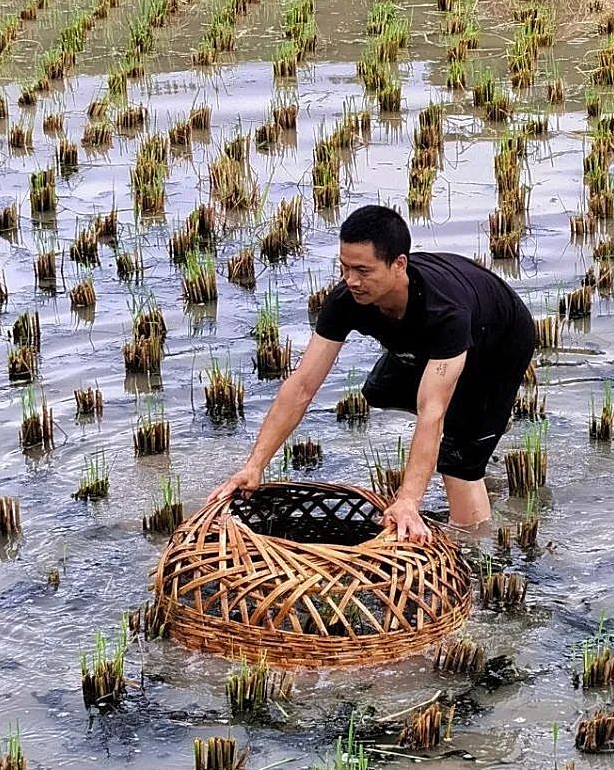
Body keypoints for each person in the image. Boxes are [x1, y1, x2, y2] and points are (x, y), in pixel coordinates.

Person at [209, 203, 537, 542]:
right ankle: (477, 431)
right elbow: (302, 385)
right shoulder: (346, 299)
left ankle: (475, 549)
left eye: (363, 270)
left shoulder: (445, 312)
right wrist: (255, 464)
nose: (351, 281)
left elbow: (431, 411)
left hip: (497, 341)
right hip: (429, 342)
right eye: (344, 267)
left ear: (398, 265)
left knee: (458, 461)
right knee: (381, 390)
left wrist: (409, 501)